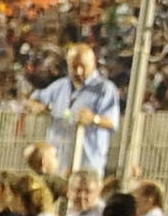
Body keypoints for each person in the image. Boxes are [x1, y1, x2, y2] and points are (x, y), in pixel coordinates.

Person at [39, 43, 120, 174]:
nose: (78, 71)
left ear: (93, 63)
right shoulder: (60, 86)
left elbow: (113, 122)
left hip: (87, 165)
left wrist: (94, 119)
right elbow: (36, 98)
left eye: (83, 66)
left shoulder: (105, 89)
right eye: (74, 67)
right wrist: (36, 105)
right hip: (58, 164)